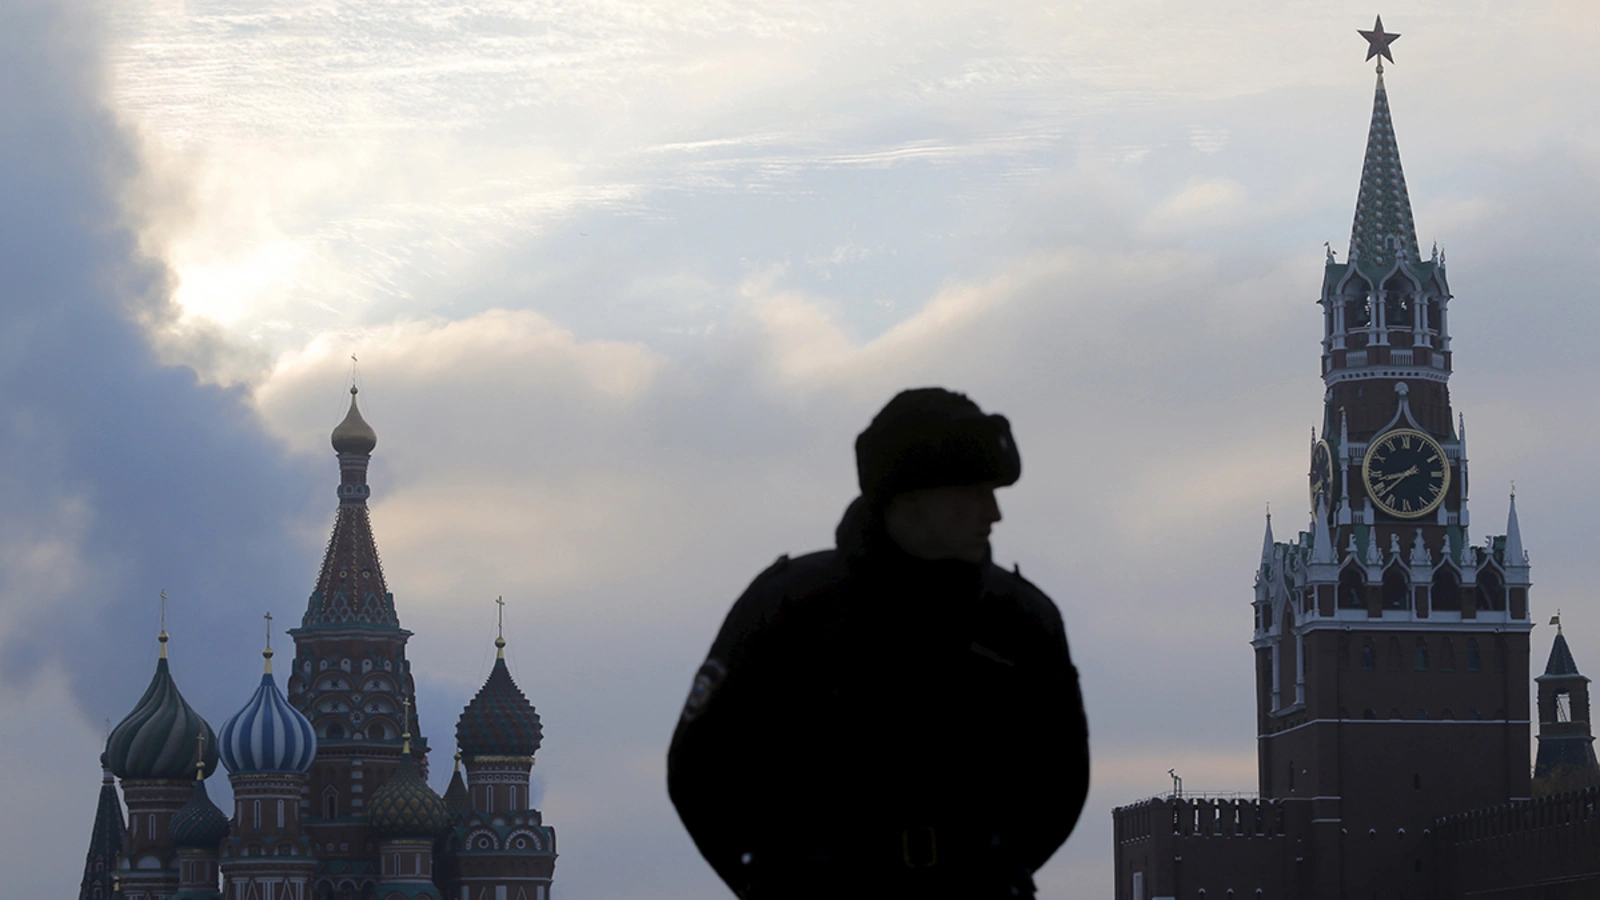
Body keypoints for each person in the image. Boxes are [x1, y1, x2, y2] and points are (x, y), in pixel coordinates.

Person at [667, 387, 1090, 899]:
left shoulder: (1022, 621)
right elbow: (699, 769)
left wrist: (988, 871)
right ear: (911, 496)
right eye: (974, 493)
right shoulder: (790, 607)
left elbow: (1062, 782)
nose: (994, 513)